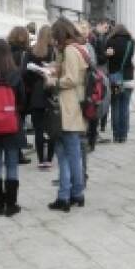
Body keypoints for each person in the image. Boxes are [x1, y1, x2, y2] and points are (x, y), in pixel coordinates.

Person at [47, 18, 88, 212]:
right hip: (71, 106)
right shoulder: (74, 49)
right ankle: (73, 194)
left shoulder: (71, 50)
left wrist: (53, 82)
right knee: (69, 154)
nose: (54, 40)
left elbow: (71, 79)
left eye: (55, 36)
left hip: (68, 106)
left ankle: (70, 194)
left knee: (68, 155)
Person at [0, 39, 26, 216]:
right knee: (11, 164)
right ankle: (11, 204)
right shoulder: (15, 75)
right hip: (12, 125)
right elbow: (22, 101)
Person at [25, 25, 56, 168]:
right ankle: (49, 158)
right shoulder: (54, 51)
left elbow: (25, 72)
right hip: (51, 91)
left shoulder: (31, 50)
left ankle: (40, 160)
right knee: (51, 128)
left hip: (36, 93)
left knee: (38, 128)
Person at [105, 24, 135, 143]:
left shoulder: (110, 41)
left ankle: (116, 135)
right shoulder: (131, 42)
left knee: (116, 104)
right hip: (128, 78)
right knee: (125, 106)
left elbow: (107, 57)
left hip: (115, 79)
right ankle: (124, 135)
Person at [7, 26, 33, 164]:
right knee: (18, 122)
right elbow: (24, 72)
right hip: (19, 89)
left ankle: (12, 151)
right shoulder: (24, 53)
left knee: (11, 121)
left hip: (7, 89)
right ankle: (17, 153)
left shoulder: (6, 49)